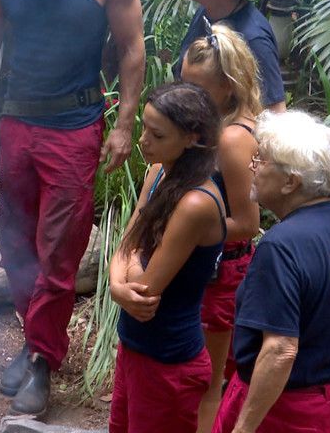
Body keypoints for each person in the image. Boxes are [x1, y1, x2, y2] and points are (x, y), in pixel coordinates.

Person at [0, 0, 147, 414]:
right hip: (18, 119)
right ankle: (33, 338)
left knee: (58, 251)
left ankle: (43, 358)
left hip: (74, 126)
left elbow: (131, 48)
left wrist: (124, 124)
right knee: (15, 246)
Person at [213, 110, 330, 433]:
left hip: (286, 409)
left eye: (262, 160)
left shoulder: (281, 246)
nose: (252, 166)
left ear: (291, 182)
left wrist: (243, 427)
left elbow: (280, 349)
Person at [109, 82, 226, 433]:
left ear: (192, 138)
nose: (144, 141)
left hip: (168, 364)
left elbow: (144, 291)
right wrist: (117, 287)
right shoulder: (158, 172)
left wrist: (127, 272)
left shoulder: (196, 203)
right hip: (134, 347)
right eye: (144, 128)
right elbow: (126, 243)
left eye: (157, 135)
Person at [180, 22, 264, 432]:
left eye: (197, 89)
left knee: (209, 381)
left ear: (228, 87)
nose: (186, 96)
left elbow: (248, 223)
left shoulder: (233, 138)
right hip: (207, 263)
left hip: (223, 272)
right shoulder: (217, 123)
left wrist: (184, 230)